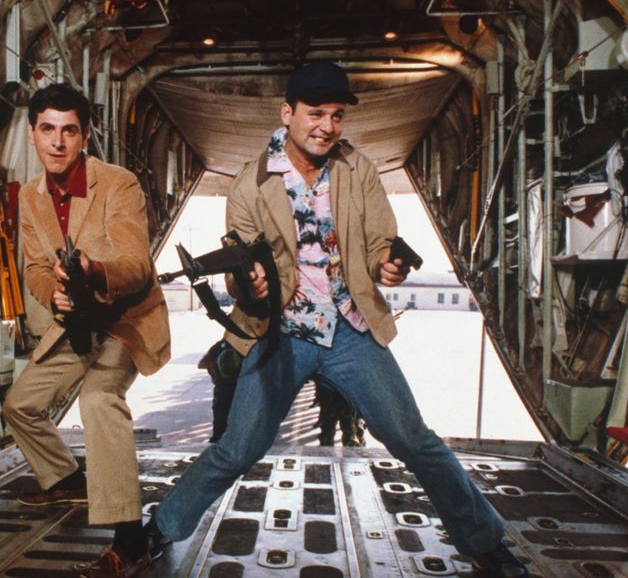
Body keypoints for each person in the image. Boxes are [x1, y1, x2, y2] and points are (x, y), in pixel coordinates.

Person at [144, 63, 527, 577]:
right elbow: (239, 264)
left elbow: (378, 241)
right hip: (281, 333)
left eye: (336, 116)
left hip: (350, 330)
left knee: (415, 440)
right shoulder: (250, 184)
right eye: (316, 113)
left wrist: (386, 264)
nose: (326, 126)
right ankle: (159, 529)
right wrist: (251, 285)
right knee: (236, 449)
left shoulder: (357, 169)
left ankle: (486, 542)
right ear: (288, 113)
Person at [2, 83, 170, 578]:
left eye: (69, 131)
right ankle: (67, 479)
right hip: (77, 322)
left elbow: (136, 267)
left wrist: (93, 271)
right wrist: (52, 293)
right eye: (47, 129)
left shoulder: (117, 184)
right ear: (32, 134)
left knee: (98, 398)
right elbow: (35, 268)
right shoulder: (30, 197)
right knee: (20, 406)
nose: (57, 142)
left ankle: (131, 540)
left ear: (84, 137)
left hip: (126, 320)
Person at [197, 339, 241, 443]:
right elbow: (202, 364)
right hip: (225, 389)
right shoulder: (222, 345)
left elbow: (202, 363)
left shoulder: (224, 344)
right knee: (221, 421)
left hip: (233, 389)